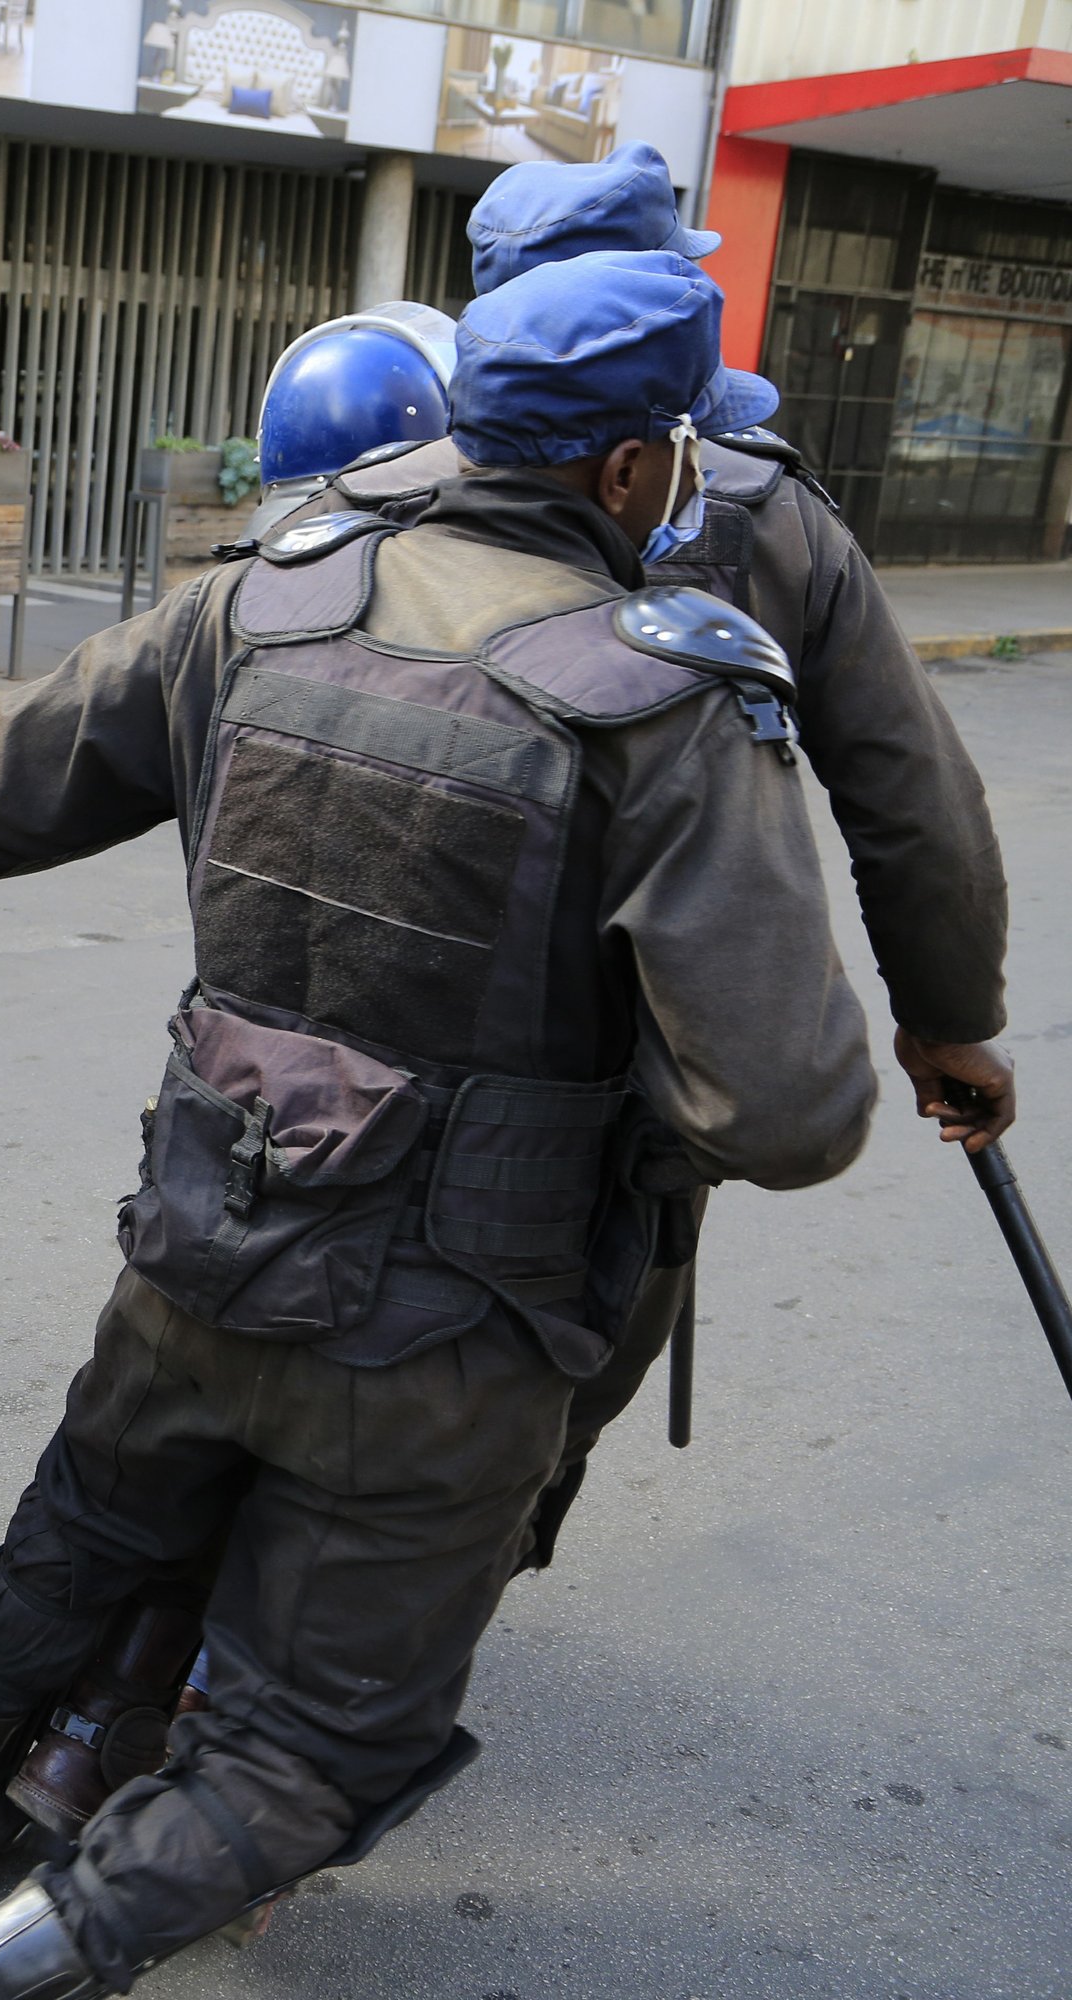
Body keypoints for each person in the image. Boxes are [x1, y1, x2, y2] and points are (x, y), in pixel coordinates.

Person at [0, 250, 888, 1991]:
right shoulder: (670, 696)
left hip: (203, 1224)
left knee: (86, 1529)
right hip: (459, 1319)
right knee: (314, 1739)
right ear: (634, 469)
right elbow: (790, 1106)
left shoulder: (265, 599)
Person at [264, 142, 1015, 1566]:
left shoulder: (378, 481)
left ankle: (219, 1640)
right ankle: (407, 1610)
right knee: (582, 1322)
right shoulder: (760, 507)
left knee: (280, 1300)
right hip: (619, 1073)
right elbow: (911, 799)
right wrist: (950, 1021)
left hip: (337, 1019)